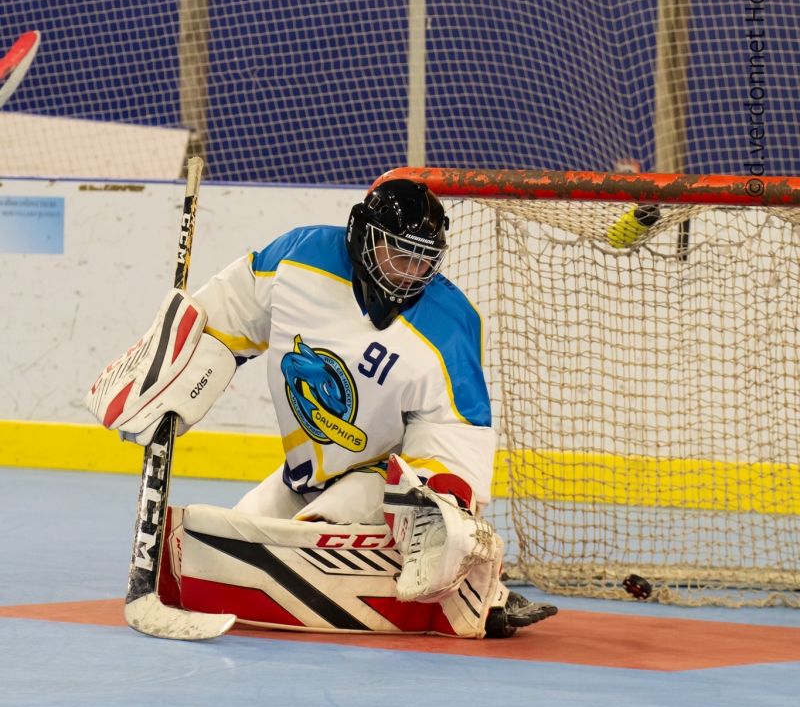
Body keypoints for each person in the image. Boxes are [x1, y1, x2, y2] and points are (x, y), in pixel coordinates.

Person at [86, 178, 556, 638]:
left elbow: (456, 434)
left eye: (424, 260)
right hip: (302, 476)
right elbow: (225, 315)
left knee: (310, 535)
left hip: (380, 479)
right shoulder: (299, 258)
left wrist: (439, 508)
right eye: (399, 253)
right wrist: (174, 372)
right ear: (362, 234)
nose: (411, 272)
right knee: (230, 537)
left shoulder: (450, 328)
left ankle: (479, 593)